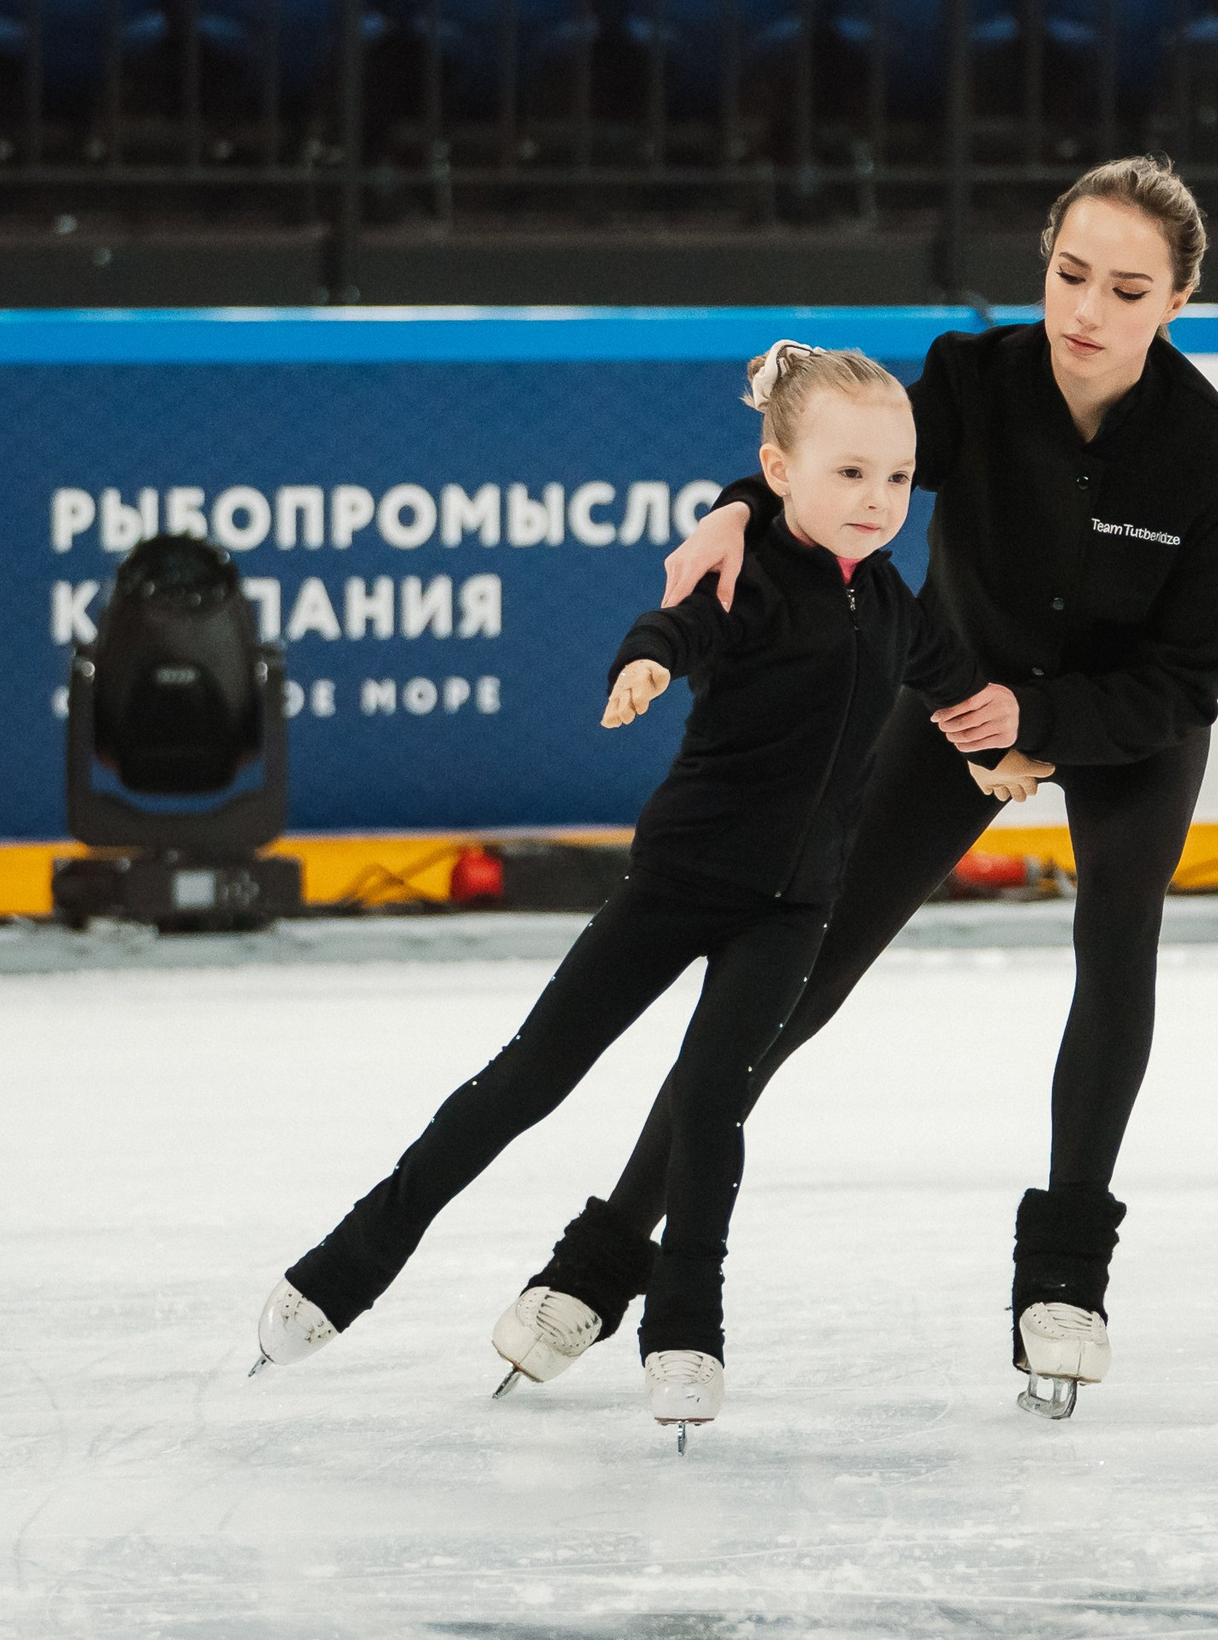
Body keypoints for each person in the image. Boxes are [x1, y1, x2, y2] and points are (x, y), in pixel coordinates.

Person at [505, 156, 1218, 1421]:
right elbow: (838, 462)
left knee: (1116, 943)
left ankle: (1065, 1278)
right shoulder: (974, 380)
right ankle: (604, 1255)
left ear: (1178, 300)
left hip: (1125, 724)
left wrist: (1043, 725)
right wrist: (739, 508)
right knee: (796, 973)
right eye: (1069, 274)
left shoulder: (1215, 458)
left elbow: (1188, 680)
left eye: (1127, 291)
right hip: (955, 694)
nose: (1087, 311)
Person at [249, 343, 1008, 1445]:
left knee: (710, 1105)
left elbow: (958, 685)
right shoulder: (746, 576)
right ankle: (342, 1268)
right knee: (527, 1078)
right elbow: (677, 623)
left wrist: (1002, 747)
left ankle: (686, 1330)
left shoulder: (892, 604)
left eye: (896, 477)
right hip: (678, 885)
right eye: (849, 473)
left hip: (792, 909)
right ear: (778, 472)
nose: (877, 499)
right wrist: (645, 662)